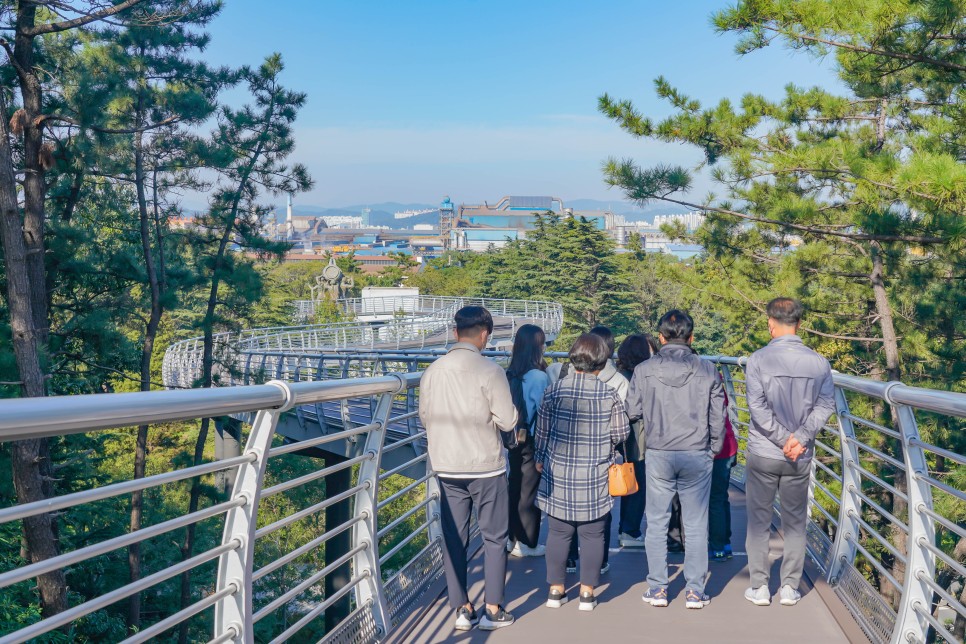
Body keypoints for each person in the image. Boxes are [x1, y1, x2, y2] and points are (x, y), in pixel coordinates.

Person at [418, 305, 518, 631]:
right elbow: (506, 419)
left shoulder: (433, 371)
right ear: (485, 334)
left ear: (455, 331)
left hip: (447, 466)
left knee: (453, 538)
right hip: (486, 467)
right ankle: (493, 609)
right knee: (493, 537)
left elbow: (424, 417)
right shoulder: (491, 371)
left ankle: (462, 608)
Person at [627, 309, 725, 610]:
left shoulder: (644, 370)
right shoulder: (708, 369)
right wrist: (713, 448)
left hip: (659, 452)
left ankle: (658, 588)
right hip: (697, 452)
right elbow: (719, 415)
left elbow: (632, 410)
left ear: (660, 337)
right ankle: (695, 591)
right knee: (695, 524)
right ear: (691, 337)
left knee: (656, 522)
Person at [744, 297, 835, 607]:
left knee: (759, 519)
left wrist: (783, 438)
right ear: (799, 324)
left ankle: (758, 586)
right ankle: (789, 587)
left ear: (771, 323)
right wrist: (800, 437)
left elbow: (756, 408)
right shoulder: (819, 362)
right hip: (800, 454)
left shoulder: (758, 360)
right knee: (795, 521)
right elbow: (825, 405)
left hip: (764, 451)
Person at [534, 333, 630, 612]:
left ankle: (556, 590)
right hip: (595, 472)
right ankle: (587, 593)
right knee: (593, 535)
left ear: (573, 358)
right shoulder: (609, 393)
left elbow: (542, 433)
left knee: (558, 533)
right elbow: (621, 432)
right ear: (601, 362)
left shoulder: (554, 390)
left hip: (558, 472)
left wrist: (540, 459)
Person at [556, 326, 628, 573]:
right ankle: (597, 568)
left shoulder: (559, 383)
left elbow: (543, 428)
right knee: (599, 517)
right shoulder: (616, 383)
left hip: (563, 460)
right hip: (600, 460)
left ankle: (566, 564)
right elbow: (621, 432)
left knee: (564, 516)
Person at [505, 324, 551, 558]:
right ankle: (527, 543)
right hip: (531, 440)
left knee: (514, 487)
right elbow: (544, 413)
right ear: (537, 347)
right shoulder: (539, 376)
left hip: (512, 439)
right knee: (529, 493)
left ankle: (511, 538)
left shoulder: (510, 373)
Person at [614, 334, 654, 547]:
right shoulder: (640, 377)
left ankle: (626, 528)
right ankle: (630, 530)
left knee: (629, 479)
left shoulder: (619, 375)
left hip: (620, 435)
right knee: (639, 481)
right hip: (638, 435)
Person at [709, 385, 739, 561]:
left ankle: (716, 546)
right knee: (720, 498)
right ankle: (723, 544)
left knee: (709, 500)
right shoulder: (715, 380)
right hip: (727, 447)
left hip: (709, 449)